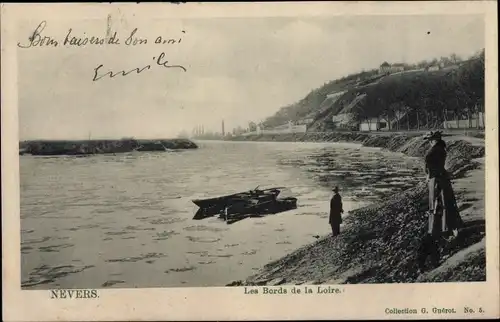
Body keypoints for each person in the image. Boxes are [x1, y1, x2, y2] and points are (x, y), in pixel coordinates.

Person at [417, 131, 464, 272]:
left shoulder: (434, 151)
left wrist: (429, 175)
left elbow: (428, 165)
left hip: (437, 180)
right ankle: (445, 226)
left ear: (434, 139)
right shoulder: (441, 149)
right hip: (440, 178)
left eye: (430, 139)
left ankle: (441, 227)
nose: (429, 141)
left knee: (439, 203)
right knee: (445, 203)